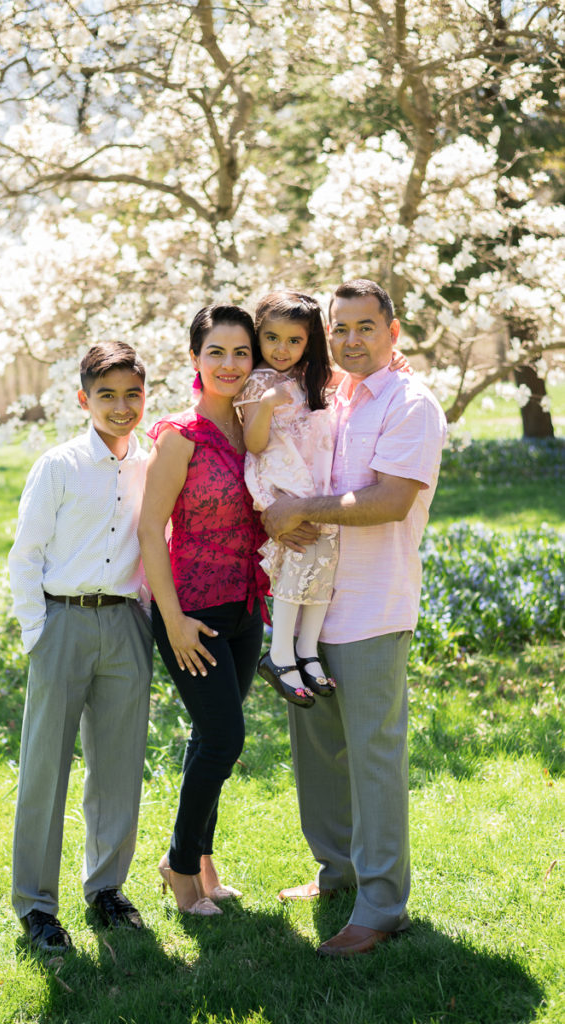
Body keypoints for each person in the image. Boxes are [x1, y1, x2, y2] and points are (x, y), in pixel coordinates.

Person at [263, 279, 446, 957]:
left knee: (372, 758)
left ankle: (380, 904)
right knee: (317, 754)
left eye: (363, 327)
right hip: (312, 606)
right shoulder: (330, 398)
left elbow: (390, 500)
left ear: (392, 332)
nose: (348, 340)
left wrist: (304, 508)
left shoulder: (410, 404)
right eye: (337, 329)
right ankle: (336, 871)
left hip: (372, 607)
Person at [8, 341, 153, 954]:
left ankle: (107, 889)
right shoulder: (59, 465)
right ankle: (37, 905)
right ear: (83, 399)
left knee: (119, 766)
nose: (121, 408)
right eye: (107, 396)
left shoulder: (152, 461)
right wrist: (37, 634)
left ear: (146, 397)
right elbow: (26, 555)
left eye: (132, 395)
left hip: (125, 623)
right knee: (46, 767)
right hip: (62, 624)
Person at [137, 304, 268, 917]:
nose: (230, 363)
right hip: (193, 615)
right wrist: (173, 620)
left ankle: (205, 863)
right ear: (195, 359)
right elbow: (149, 532)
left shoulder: (259, 430)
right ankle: (180, 867)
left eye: (241, 352)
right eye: (216, 351)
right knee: (223, 738)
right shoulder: (178, 437)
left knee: (208, 738)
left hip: (247, 612)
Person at [233, 290, 339, 708]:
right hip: (280, 481)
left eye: (294, 341)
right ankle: (279, 655)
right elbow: (255, 443)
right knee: (296, 560)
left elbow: (347, 379)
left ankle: (308, 650)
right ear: (258, 336)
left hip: (313, 482)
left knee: (325, 557)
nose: (282, 349)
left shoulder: (309, 374)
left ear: (309, 342)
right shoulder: (258, 381)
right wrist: (263, 404)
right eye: (272, 338)